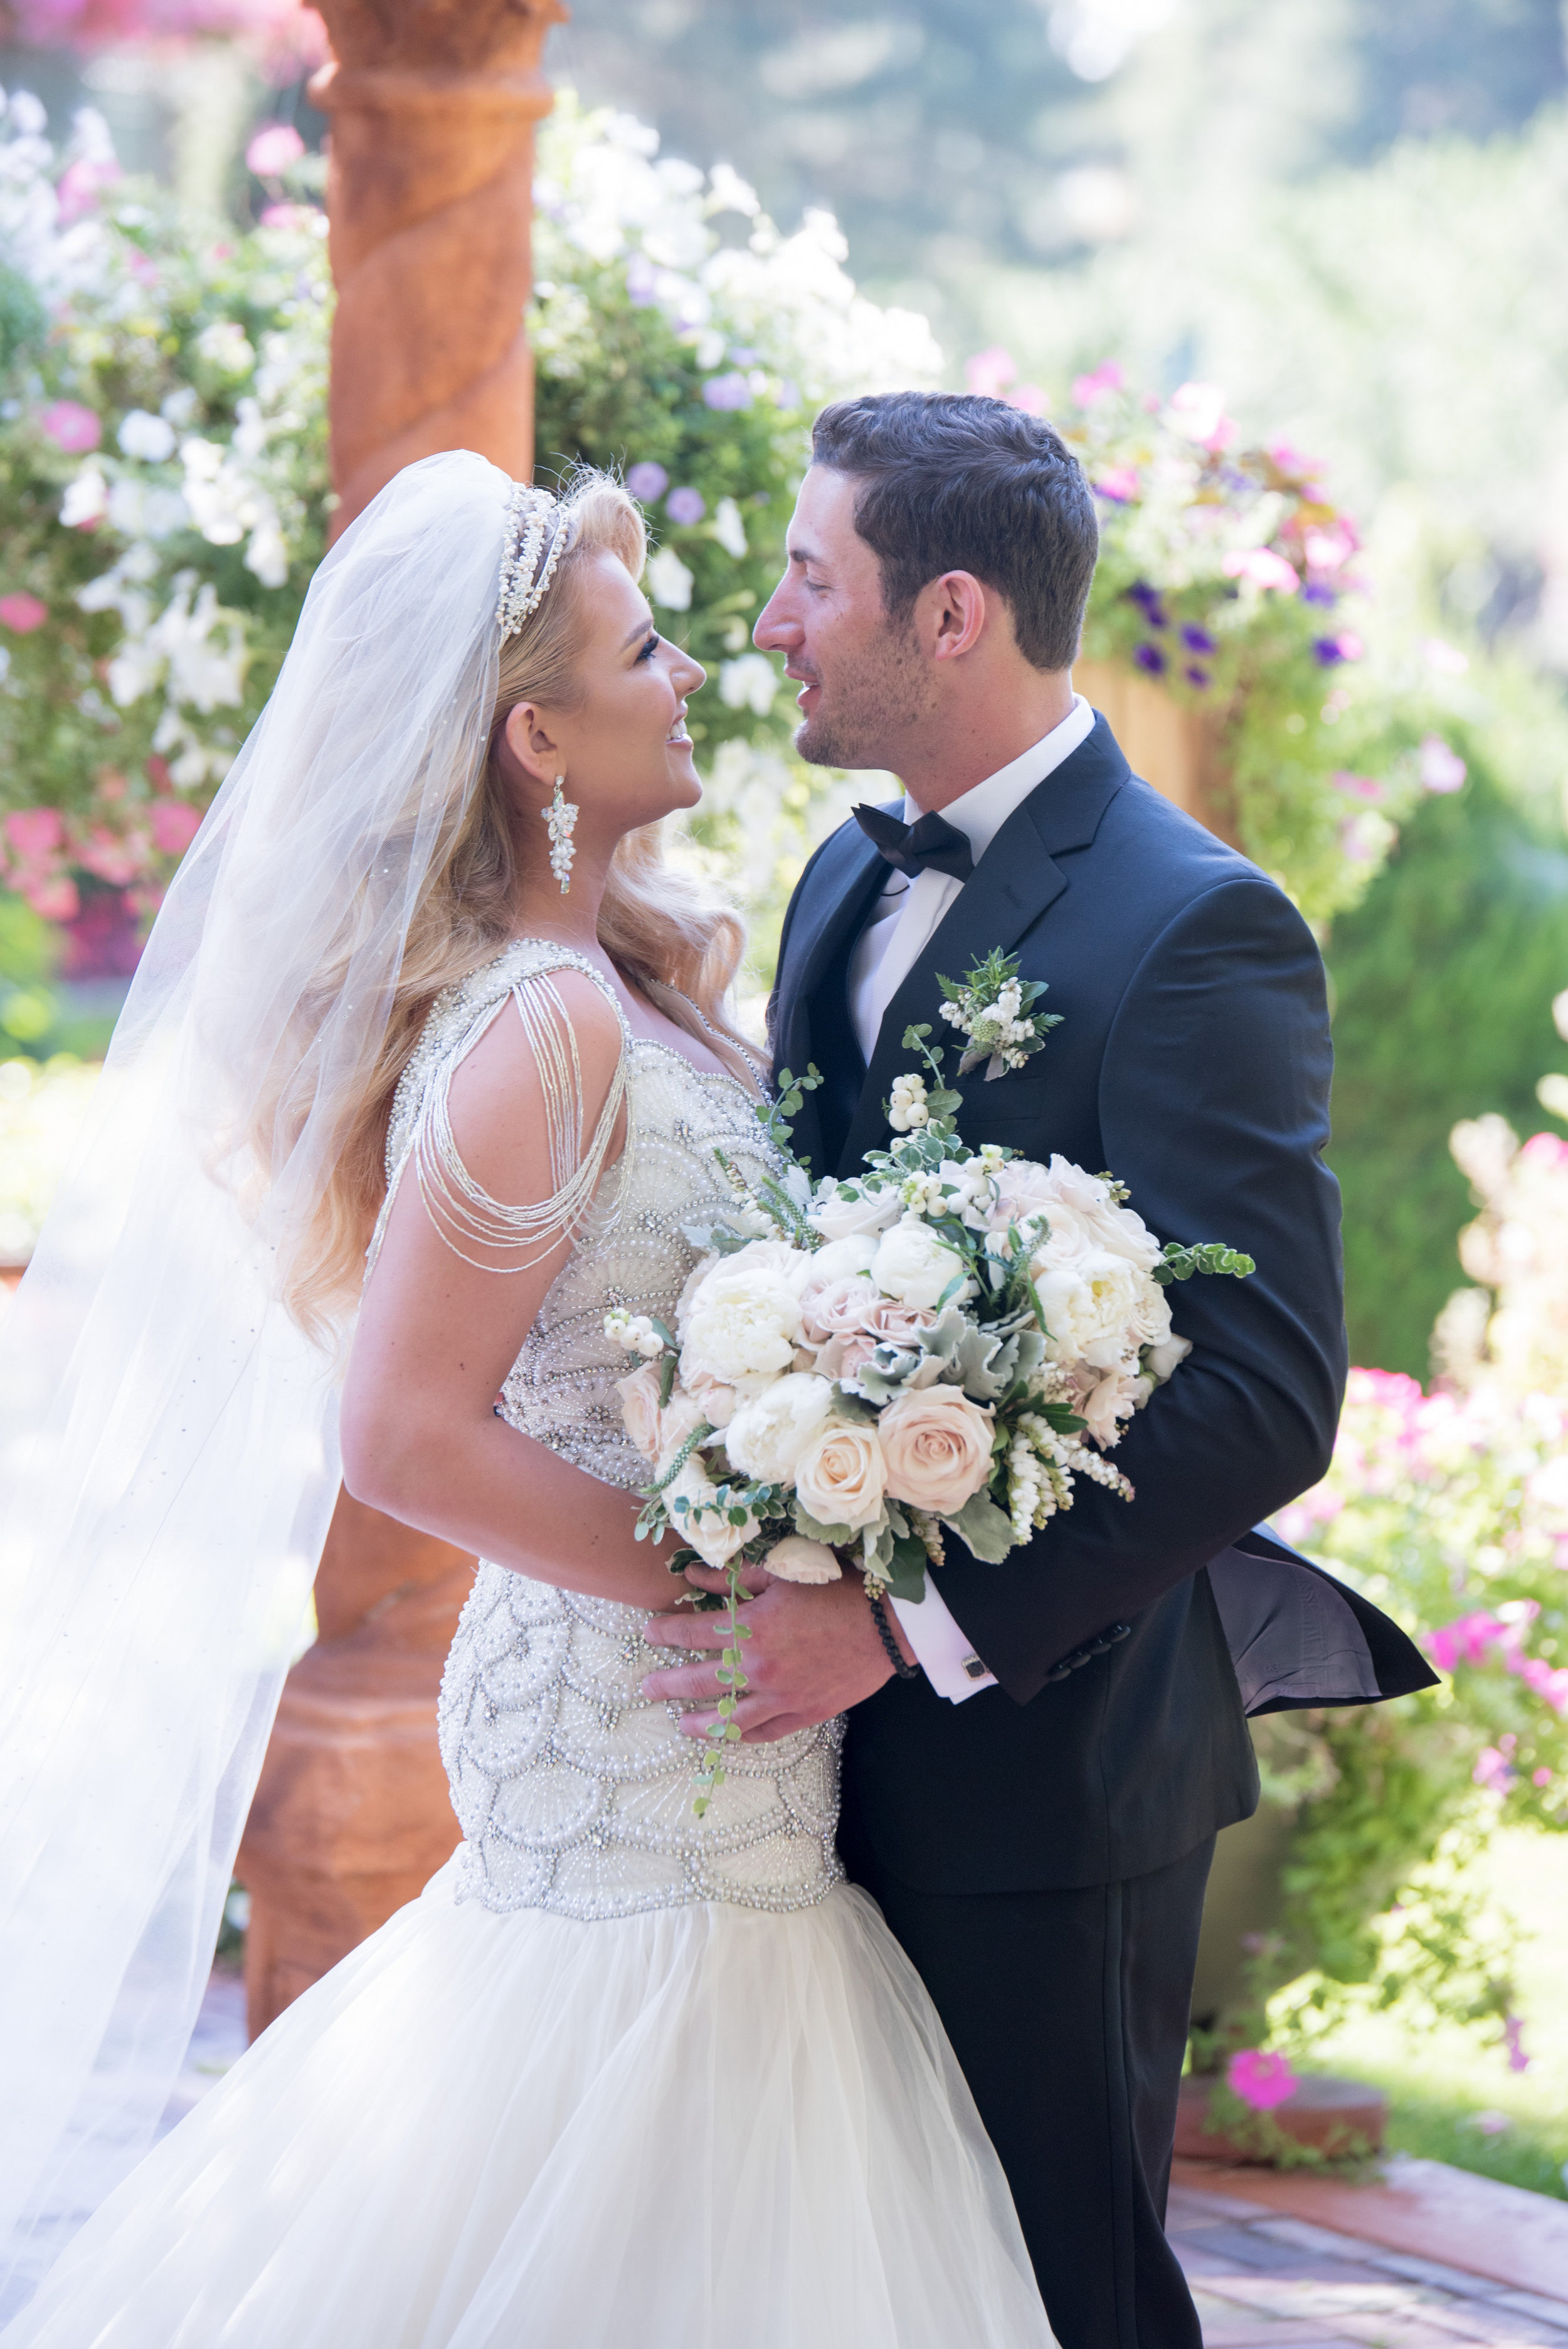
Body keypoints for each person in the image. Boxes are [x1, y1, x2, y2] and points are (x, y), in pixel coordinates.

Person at [0, 452, 1055, 2346]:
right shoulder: (542, 1025)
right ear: (537, 741)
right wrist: (729, 1591)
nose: (695, 671)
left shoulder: (614, 976)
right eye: (645, 648)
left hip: (714, 1745)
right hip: (645, 1729)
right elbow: (403, 1430)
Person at [644, 391, 1437, 2349]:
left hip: (1049, 1777)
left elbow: (1260, 1389)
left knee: (1052, 2294)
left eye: (808, 576)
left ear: (951, 615)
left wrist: (907, 1631)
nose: (766, 621)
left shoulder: (1196, 927)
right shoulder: (837, 882)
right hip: (789, 1777)